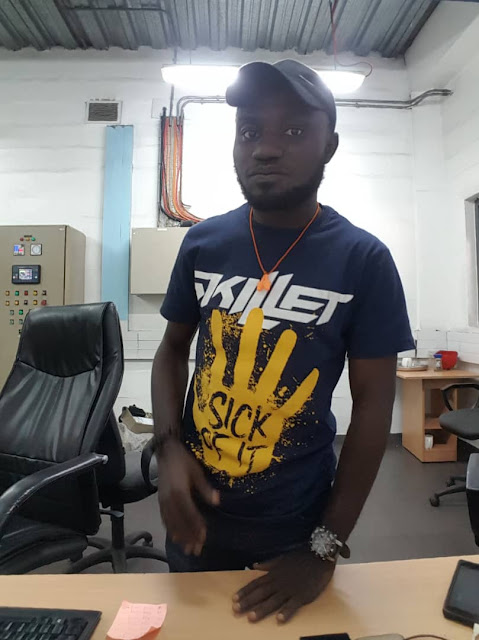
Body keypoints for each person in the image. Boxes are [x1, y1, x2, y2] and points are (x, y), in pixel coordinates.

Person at [152, 59, 414, 624]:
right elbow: (171, 351)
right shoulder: (202, 244)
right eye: (249, 130)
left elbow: (373, 406)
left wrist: (324, 547)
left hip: (295, 523)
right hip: (194, 513)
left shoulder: (362, 259)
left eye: (293, 130)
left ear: (330, 146)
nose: (266, 149)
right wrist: (168, 448)